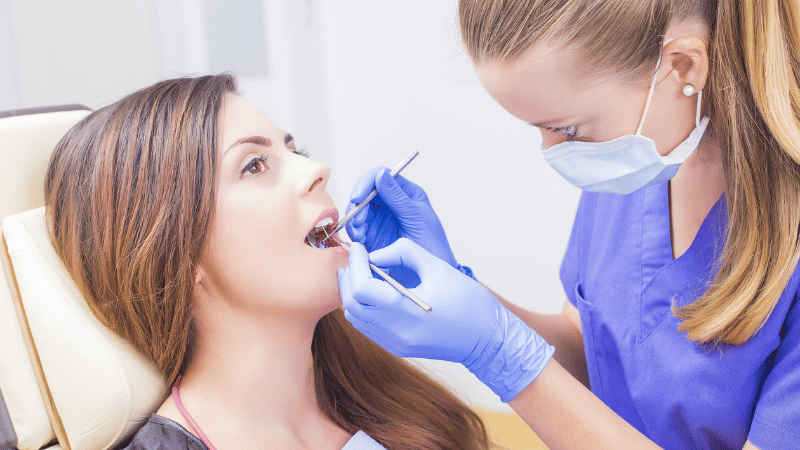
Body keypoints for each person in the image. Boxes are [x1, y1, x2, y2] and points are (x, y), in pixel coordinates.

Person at [338, 1, 800, 449]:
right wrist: (459, 290)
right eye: (536, 128)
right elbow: (592, 353)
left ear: (682, 65)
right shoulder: (639, 168)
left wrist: (500, 356)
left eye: (569, 130)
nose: (552, 151)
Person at [44, 74, 490, 450]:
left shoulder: (389, 399)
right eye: (255, 165)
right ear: (175, 252)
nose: (317, 169)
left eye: (295, 150)